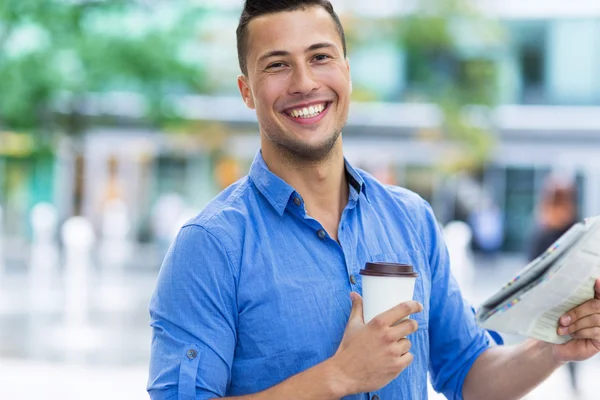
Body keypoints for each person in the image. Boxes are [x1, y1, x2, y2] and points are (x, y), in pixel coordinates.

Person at [147, 1, 600, 399]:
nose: (304, 83)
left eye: (320, 57)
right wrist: (337, 377)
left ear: (346, 70)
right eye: (277, 65)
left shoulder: (412, 219)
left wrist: (550, 348)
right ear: (247, 91)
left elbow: (469, 375)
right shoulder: (209, 245)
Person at [527, 174, 581, 397]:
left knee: (571, 344)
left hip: (571, 297)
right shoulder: (541, 233)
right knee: (537, 349)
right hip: (545, 299)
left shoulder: (576, 229)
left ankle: (573, 384)